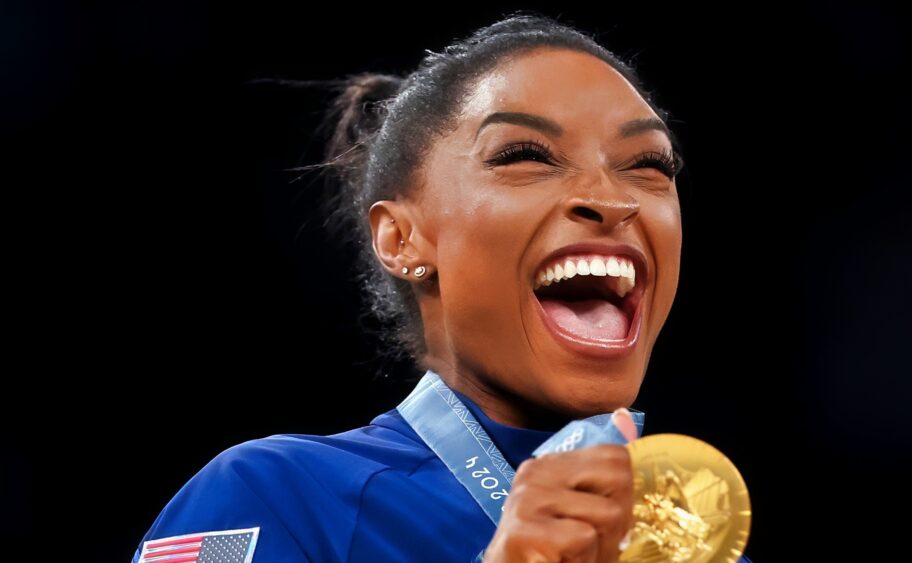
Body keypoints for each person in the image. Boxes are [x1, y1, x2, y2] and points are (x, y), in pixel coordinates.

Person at [130, 12, 753, 563]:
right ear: (402, 239)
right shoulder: (273, 496)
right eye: (525, 155)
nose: (610, 198)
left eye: (649, 166)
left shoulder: (695, 550)